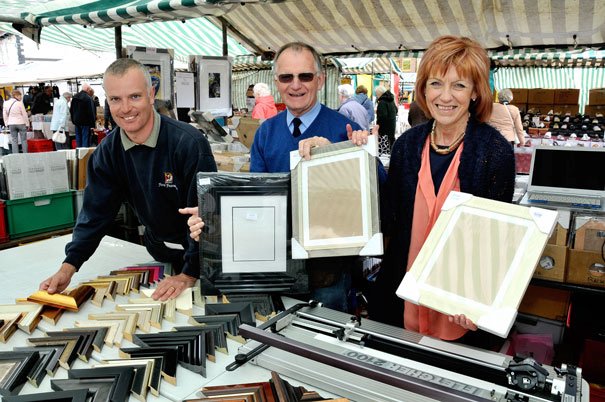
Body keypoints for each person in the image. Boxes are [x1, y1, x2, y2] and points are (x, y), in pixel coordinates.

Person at [187, 42, 371, 313]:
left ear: (319, 80)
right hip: (276, 267)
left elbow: (372, 197)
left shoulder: (346, 130)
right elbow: (257, 202)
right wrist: (213, 215)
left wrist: (350, 154)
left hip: (327, 272)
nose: (295, 85)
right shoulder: (266, 133)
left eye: (305, 76)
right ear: (277, 82)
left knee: (325, 343)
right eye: (287, 77)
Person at [369, 36, 515, 346]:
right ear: (423, 89)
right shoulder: (407, 146)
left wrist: (478, 301)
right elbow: (392, 220)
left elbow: (495, 242)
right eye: (436, 83)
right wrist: (352, 156)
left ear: (475, 92)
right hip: (402, 296)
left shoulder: (496, 151)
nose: (445, 96)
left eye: (459, 85)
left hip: (458, 308)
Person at [39, 58, 217, 302]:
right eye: (115, 99)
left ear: (151, 95)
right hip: (160, 251)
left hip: (200, 256)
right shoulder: (107, 152)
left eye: (134, 97)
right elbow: (94, 215)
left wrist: (189, 274)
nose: (125, 109)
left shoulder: (189, 144)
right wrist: (68, 266)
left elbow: (208, 218)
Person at [70, 83, 96, 147]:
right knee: (85, 139)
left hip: (76, 121)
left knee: (78, 138)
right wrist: (93, 124)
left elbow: (71, 110)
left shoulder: (75, 97)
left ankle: (78, 152)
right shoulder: (88, 98)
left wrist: (73, 120)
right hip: (85, 122)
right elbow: (91, 112)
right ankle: (84, 154)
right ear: (87, 89)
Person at [375, 85, 398, 150]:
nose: (376, 95)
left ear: (379, 93)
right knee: (391, 143)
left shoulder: (382, 102)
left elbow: (382, 116)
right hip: (392, 125)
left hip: (384, 128)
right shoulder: (391, 100)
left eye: (376, 94)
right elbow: (396, 110)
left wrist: (378, 126)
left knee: (385, 147)